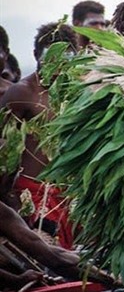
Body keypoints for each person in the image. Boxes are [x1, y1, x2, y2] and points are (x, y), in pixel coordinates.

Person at [0, 22, 79, 250]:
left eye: (66, 59)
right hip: (31, 196)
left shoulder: (77, 94)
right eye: (50, 58)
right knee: (47, 258)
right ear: (36, 55)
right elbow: (5, 154)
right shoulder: (21, 93)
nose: (58, 66)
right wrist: (10, 201)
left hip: (67, 197)